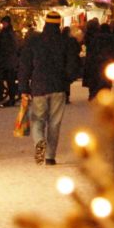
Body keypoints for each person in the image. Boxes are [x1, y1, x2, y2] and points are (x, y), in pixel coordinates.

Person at [17, 10, 79, 166]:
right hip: (58, 87)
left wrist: (24, 87)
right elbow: (73, 66)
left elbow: (25, 66)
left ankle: (39, 142)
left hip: (38, 87)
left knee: (38, 119)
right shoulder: (67, 42)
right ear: (59, 24)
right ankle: (50, 156)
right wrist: (67, 80)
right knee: (54, 122)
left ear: (45, 23)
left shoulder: (34, 41)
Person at [0, 15, 19, 106]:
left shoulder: (7, 34)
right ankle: (10, 97)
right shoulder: (8, 33)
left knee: (10, 80)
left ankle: (11, 98)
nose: (3, 24)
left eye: (4, 23)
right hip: (8, 60)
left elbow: (10, 46)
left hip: (7, 60)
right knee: (9, 80)